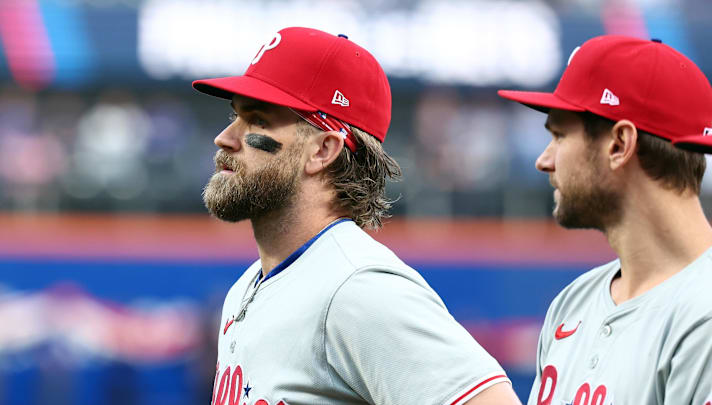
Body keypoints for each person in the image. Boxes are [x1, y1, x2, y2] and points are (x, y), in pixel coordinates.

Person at [192, 27, 521, 405]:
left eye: (258, 120)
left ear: (322, 150)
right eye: (235, 115)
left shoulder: (357, 287)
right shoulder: (250, 283)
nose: (225, 137)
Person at [498, 35, 712, 404]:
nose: (544, 161)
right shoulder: (572, 302)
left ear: (619, 145)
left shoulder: (703, 313)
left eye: (560, 136)